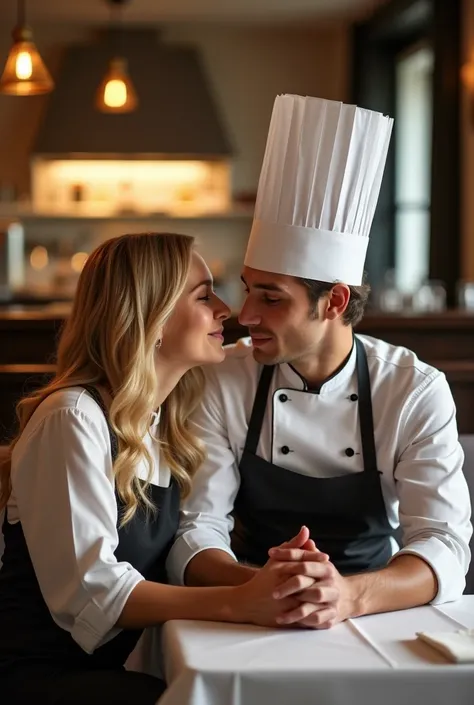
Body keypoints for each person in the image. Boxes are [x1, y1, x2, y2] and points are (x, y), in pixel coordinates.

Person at [167, 95, 473, 629]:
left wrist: (348, 596)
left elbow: (444, 545)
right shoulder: (224, 380)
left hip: (382, 613)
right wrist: (278, 588)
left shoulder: (414, 390)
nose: (245, 314)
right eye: (247, 291)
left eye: (271, 297)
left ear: (333, 302)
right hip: (253, 610)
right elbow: (196, 531)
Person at [0, 232, 328, 705]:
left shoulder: (158, 424)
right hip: (34, 679)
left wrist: (269, 581)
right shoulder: (73, 418)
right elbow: (94, 591)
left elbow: (177, 550)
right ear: (151, 318)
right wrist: (242, 603)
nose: (226, 309)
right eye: (203, 294)